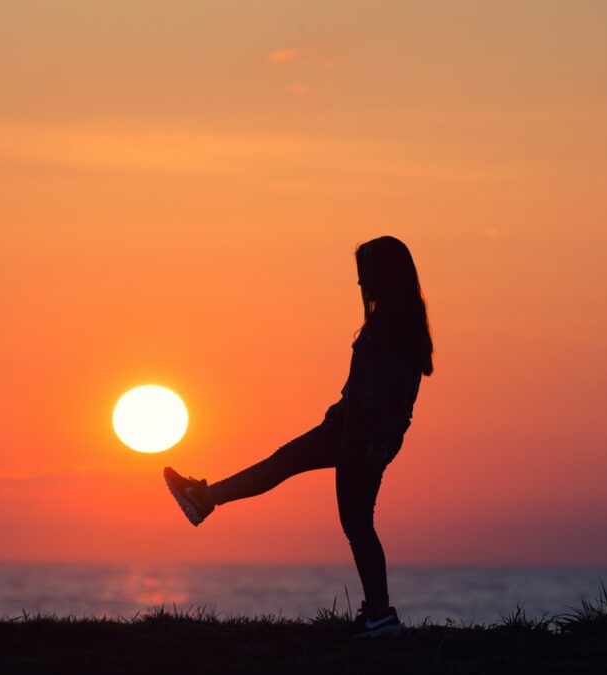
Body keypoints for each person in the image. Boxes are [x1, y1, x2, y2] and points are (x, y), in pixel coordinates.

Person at [163, 236, 434, 638]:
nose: (360, 286)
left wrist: (373, 440)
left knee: (356, 522)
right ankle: (205, 499)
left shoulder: (392, 330)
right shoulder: (393, 325)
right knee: (287, 465)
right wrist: (343, 408)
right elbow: (369, 388)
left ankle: (380, 614)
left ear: (385, 276)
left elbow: (390, 398)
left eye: (365, 276)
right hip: (350, 430)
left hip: (361, 438)